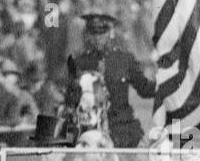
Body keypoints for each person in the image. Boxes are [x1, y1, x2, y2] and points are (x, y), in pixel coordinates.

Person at [66, 12, 154, 147]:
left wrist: (168, 83)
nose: (97, 38)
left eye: (102, 33)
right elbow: (71, 100)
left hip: (123, 129)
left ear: (110, 33)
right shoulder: (78, 63)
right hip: (91, 131)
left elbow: (145, 89)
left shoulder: (124, 59)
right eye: (93, 34)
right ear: (87, 35)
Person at [0, 59, 39, 128]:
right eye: (1, 76)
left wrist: (22, 122)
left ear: (15, 77)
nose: (1, 79)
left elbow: (35, 118)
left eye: (6, 75)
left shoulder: (24, 96)